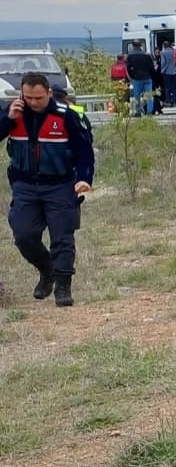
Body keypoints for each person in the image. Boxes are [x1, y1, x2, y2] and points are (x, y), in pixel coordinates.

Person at [7, 71, 94, 307]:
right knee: (23, 235)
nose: (33, 103)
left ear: (48, 93)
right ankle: (47, 270)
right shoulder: (13, 113)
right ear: (21, 94)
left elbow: (84, 151)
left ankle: (63, 287)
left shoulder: (66, 116)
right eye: (28, 98)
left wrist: (84, 178)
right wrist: (8, 119)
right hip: (25, 185)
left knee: (62, 236)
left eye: (38, 98)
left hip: (60, 184)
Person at [124, 44, 157, 116]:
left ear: (133, 47)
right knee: (149, 96)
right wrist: (151, 76)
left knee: (137, 96)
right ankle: (149, 112)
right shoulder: (147, 56)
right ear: (141, 47)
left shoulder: (131, 57)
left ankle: (138, 112)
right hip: (147, 78)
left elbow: (129, 68)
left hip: (137, 78)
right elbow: (152, 68)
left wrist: (132, 76)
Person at [159, 40, 176, 110]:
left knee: (167, 88)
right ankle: (174, 101)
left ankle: (168, 101)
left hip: (167, 72)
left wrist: (162, 69)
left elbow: (163, 62)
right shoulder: (174, 51)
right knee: (174, 88)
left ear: (164, 46)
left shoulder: (163, 52)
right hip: (174, 72)